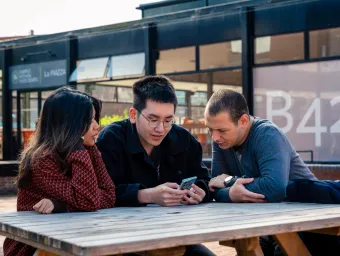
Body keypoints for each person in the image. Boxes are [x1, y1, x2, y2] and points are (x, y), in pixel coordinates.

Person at [96, 75, 215, 256]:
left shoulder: (184, 140)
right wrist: (146, 195)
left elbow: (205, 180)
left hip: (177, 237)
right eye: (153, 119)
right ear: (133, 115)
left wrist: (200, 191)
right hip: (121, 241)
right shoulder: (111, 140)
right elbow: (99, 194)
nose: (161, 129)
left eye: (168, 120)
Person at [3, 87, 116, 256]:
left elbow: (108, 195)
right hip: (35, 246)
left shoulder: (88, 151)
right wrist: (78, 148)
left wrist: (59, 206)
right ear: (70, 124)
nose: (97, 126)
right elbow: (88, 201)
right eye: (90, 120)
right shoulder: (42, 159)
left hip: (75, 237)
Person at [206, 89, 316, 203]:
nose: (214, 137)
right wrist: (230, 194)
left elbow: (274, 188)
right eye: (210, 129)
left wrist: (228, 181)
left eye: (222, 130)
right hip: (269, 213)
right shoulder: (221, 140)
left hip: (311, 210)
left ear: (243, 121)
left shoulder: (268, 134)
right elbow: (215, 187)